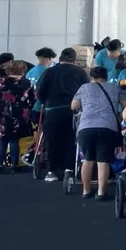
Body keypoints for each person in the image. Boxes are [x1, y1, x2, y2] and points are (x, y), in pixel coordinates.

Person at [71, 66, 123, 200]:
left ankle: (86, 190)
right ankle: (101, 192)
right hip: (107, 127)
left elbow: (74, 106)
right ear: (106, 76)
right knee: (103, 161)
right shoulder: (114, 87)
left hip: (86, 128)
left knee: (88, 159)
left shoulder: (84, 88)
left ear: (91, 77)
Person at [36, 48, 87, 182]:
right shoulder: (80, 72)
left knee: (52, 141)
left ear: (60, 58)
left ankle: (52, 171)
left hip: (52, 110)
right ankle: (69, 169)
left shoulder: (49, 72)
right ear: (74, 60)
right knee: (71, 140)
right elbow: (86, 90)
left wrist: (46, 102)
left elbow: (40, 91)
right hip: (73, 111)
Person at [0, 61, 36, 174]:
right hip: (19, 115)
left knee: (2, 140)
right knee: (14, 140)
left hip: (2, 114)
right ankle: (13, 165)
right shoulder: (27, 83)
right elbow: (33, 99)